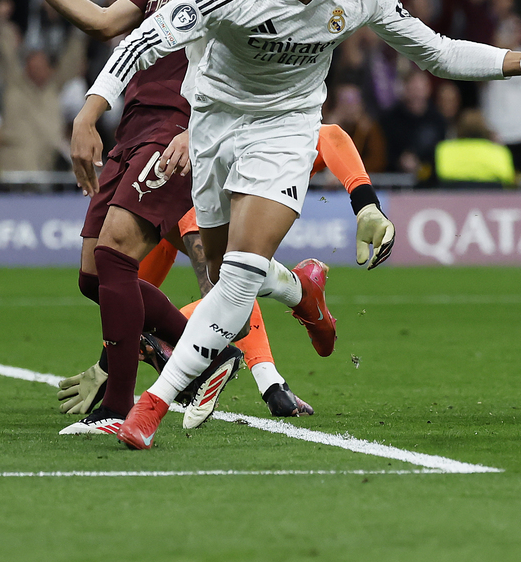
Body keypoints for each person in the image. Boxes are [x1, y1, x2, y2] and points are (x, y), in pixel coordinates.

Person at [84, 0, 521, 449]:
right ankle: (300, 289)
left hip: (286, 129)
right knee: (218, 268)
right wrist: (91, 111)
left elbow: (435, 51)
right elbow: (143, 40)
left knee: (237, 276)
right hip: (212, 125)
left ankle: (150, 408)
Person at [0, 0, 311, 434]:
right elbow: (105, 21)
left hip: (180, 125)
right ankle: (208, 352)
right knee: (94, 273)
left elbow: (250, 61)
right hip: (135, 123)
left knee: (117, 253)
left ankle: (119, 409)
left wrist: (198, 127)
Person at [56, 123, 394, 427]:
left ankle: (268, 346)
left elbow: (330, 136)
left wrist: (365, 204)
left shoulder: (264, 121)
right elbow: (131, 298)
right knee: (116, 283)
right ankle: (299, 290)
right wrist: (111, 360)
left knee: (228, 285)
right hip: (192, 184)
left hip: (221, 185)